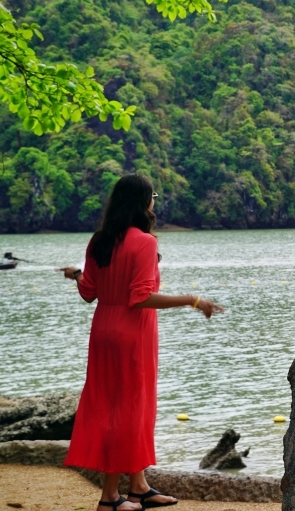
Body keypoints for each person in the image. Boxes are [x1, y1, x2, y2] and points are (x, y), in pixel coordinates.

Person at [59, 174, 224, 511]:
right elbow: (141, 297)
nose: (155, 201)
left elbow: (89, 292)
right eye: (153, 196)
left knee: (116, 406)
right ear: (143, 202)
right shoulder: (145, 243)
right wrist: (193, 300)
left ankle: (138, 487)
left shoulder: (100, 240)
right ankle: (109, 497)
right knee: (128, 410)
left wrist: (77, 274)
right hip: (132, 333)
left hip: (104, 328)